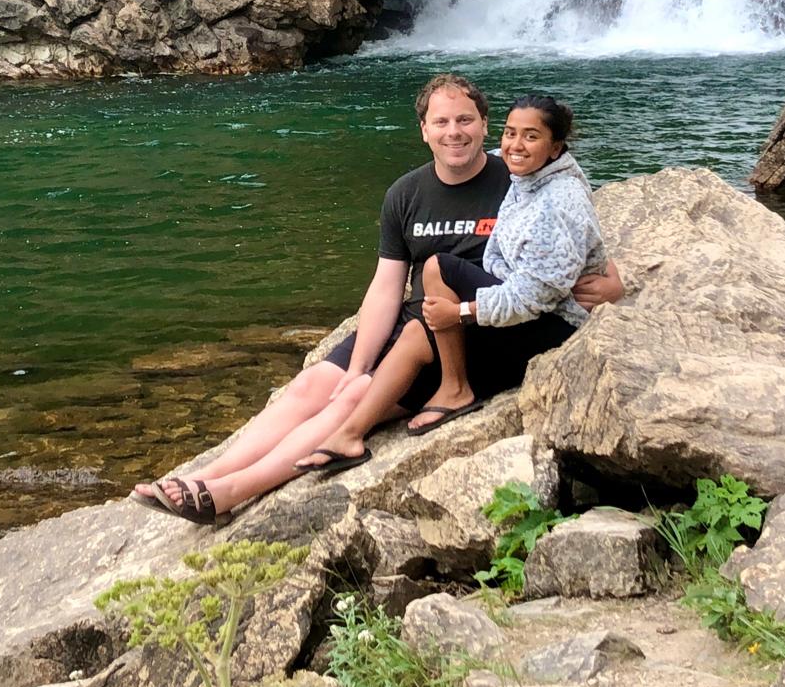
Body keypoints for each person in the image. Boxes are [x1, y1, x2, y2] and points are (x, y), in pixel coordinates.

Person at [135, 76, 622, 524]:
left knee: (347, 403)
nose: (455, 132)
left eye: (465, 120)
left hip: (463, 331)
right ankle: (207, 474)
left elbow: (581, 240)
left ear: (484, 126)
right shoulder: (406, 193)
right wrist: (359, 362)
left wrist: (611, 285)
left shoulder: (514, 178)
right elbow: (387, 284)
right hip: (416, 318)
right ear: (424, 131)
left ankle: (229, 493)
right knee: (314, 385)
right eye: (442, 122)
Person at [291, 93, 605, 476]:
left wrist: (460, 311)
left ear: (555, 147)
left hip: (549, 325)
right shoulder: (526, 173)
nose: (516, 145)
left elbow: (536, 294)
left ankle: (359, 430)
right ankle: (438, 395)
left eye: (531, 137)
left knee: (428, 305)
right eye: (510, 134)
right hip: (517, 303)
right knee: (433, 285)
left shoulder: (559, 198)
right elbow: (467, 150)